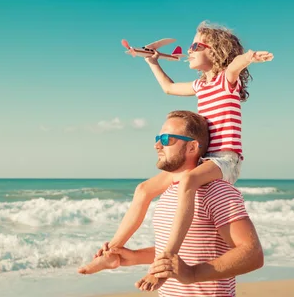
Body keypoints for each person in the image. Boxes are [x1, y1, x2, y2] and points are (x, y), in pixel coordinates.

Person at [78, 21, 272, 290]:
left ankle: (167, 259)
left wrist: (249, 57)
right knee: (144, 189)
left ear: (216, 52)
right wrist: (152, 62)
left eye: (195, 45)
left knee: (188, 182)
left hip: (225, 159)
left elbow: (236, 65)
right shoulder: (201, 86)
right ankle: (112, 251)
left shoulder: (225, 80)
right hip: (205, 159)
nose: (189, 50)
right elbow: (168, 88)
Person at [105, 110, 264, 296]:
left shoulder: (216, 191)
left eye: (166, 139)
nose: (157, 145)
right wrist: (133, 257)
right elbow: (188, 250)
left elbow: (253, 254)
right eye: (158, 138)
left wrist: (192, 273)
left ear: (192, 147)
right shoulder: (168, 193)